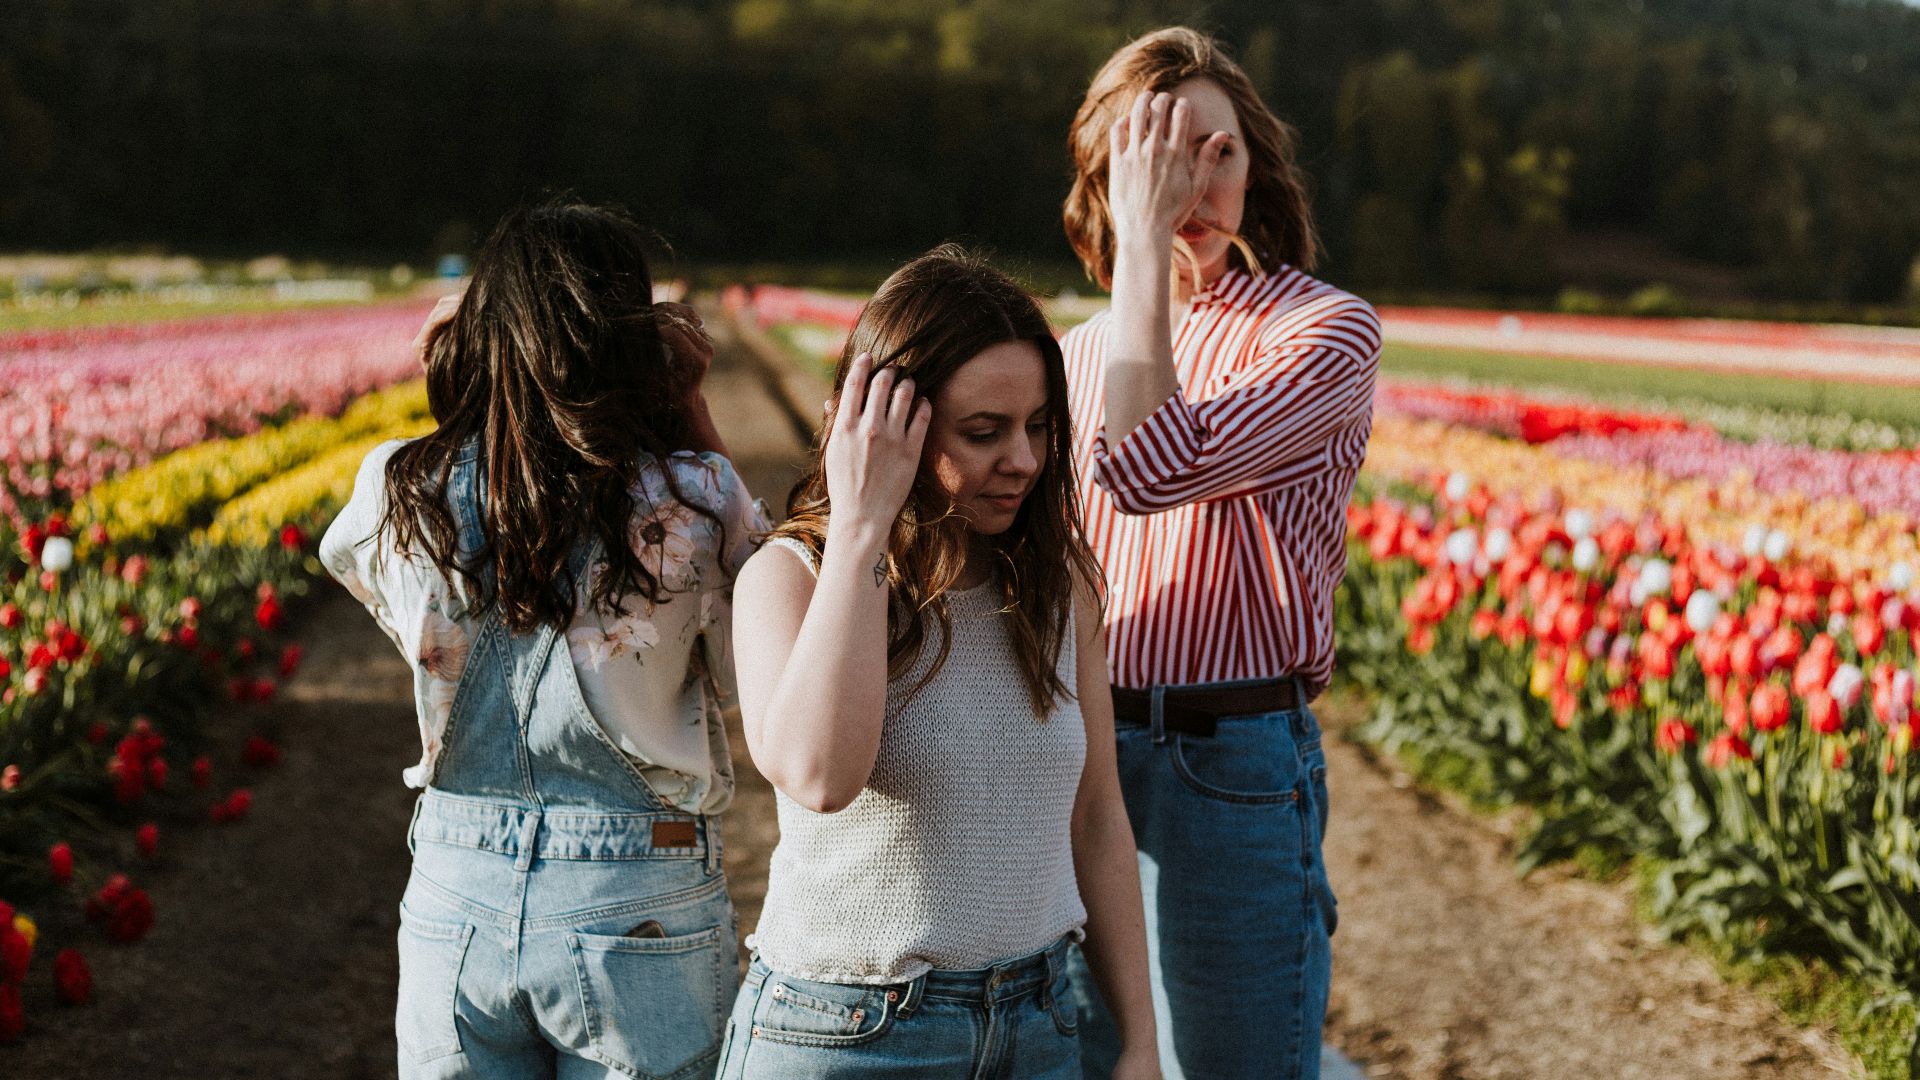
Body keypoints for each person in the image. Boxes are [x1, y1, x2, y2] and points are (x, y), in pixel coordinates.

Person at [320, 200, 764, 1080]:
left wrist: (454, 376)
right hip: (638, 894)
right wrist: (693, 412)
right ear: (638, 342)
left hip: (457, 890)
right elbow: (759, 657)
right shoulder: (695, 496)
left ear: (480, 332)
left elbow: (389, 603)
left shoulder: (397, 487)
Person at [720, 246, 1160, 1080]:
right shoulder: (793, 577)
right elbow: (820, 776)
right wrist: (861, 532)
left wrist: (1138, 1041)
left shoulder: (1056, 587)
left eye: (1037, 426)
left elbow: (1097, 813)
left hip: (1039, 1025)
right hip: (850, 1035)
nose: (1025, 460)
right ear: (889, 429)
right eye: (984, 432)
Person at [1057, 27, 1383, 1080]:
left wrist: (1144, 252)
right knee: (1102, 1060)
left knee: (1233, 1064)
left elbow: (1148, 471)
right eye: (1153, 151)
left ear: (1259, 167)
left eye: (1219, 151)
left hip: (1228, 763)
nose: (1192, 179)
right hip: (1079, 758)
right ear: (1103, 175)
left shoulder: (1324, 333)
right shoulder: (1077, 350)